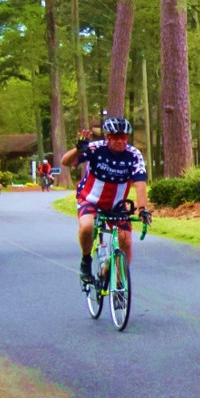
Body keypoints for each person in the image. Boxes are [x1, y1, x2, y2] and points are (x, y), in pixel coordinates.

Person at [60, 117, 151, 284]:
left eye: (124, 137)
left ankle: (117, 284)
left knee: (126, 241)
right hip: (90, 200)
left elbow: (140, 184)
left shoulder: (134, 155)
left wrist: (143, 209)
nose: (120, 141)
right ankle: (86, 261)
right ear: (108, 137)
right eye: (116, 137)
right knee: (87, 227)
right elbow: (66, 162)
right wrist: (78, 150)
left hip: (116, 205)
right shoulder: (95, 148)